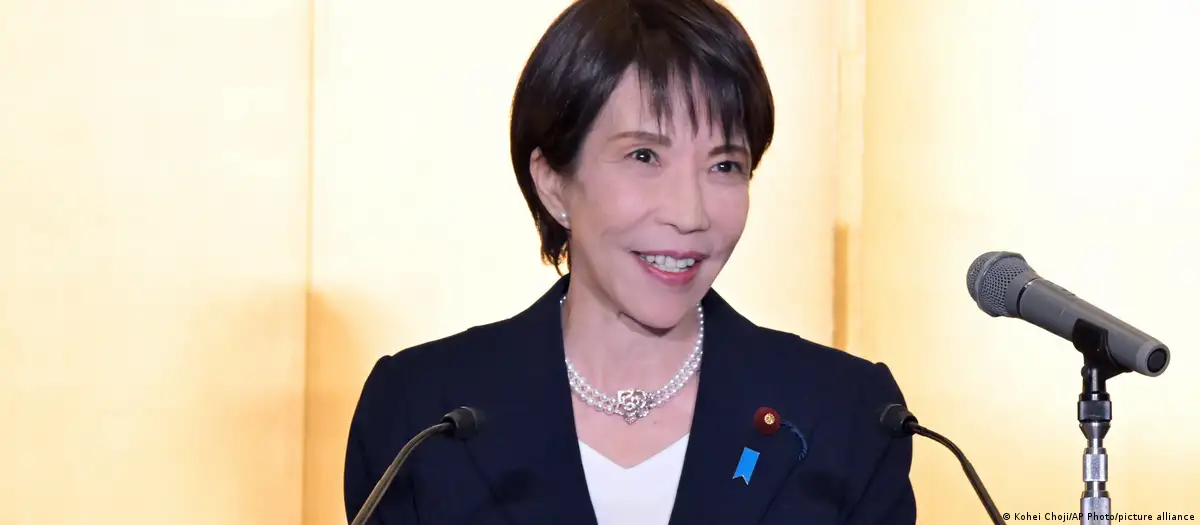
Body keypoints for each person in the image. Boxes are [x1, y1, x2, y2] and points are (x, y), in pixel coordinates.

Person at [343, 0, 916, 523]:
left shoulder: (846, 414)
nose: (690, 214)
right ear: (553, 182)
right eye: (644, 156)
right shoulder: (421, 414)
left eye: (724, 165)